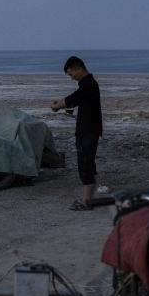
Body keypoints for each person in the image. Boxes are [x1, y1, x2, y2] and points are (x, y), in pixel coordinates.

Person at [51, 56, 102, 210]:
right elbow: (75, 99)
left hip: (88, 131)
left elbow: (72, 99)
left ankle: (86, 201)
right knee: (88, 163)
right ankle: (89, 198)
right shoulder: (87, 85)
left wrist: (57, 106)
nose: (71, 78)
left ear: (78, 68)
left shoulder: (89, 85)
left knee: (85, 164)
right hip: (87, 130)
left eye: (71, 74)